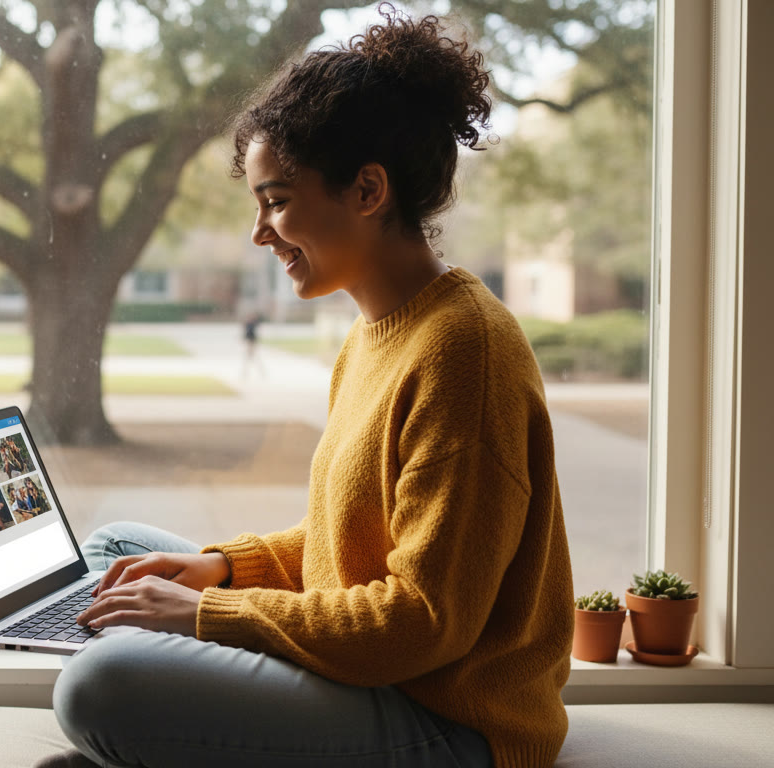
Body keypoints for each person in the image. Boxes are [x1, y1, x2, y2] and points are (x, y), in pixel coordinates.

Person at [49, 10, 572, 768]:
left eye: (278, 199)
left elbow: (423, 620)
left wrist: (209, 614)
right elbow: (350, 543)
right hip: (378, 671)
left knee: (97, 685)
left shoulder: (466, 351)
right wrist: (227, 568)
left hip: (447, 718)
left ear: (367, 190)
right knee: (116, 553)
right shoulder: (375, 333)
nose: (260, 232)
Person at [241, 311, 266, 379]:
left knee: (253, 357)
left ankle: (260, 371)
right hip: (249, 341)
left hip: (253, 341)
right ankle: (245, 372)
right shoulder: (247, 323)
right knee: (249, 357)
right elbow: (245, 332)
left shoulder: (254, 323)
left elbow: (258, 331)